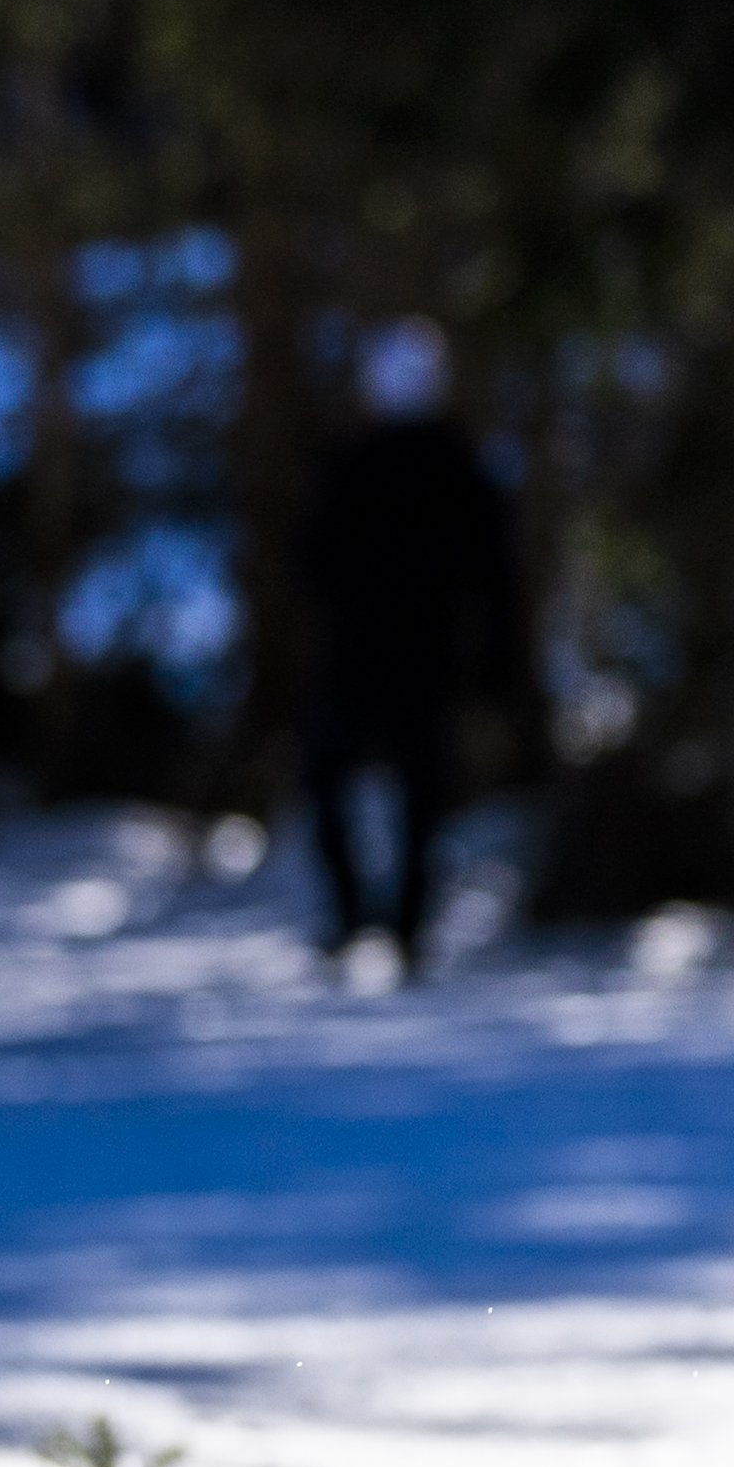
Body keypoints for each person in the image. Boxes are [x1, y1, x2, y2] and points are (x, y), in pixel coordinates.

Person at [297, 316, 520, 976]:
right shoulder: (355, 459)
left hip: (417, 658)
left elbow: (493, 568)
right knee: (334, 787)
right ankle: (358, 918)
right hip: (366, 656)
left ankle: (405, 931)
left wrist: (493, 656)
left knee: (418, 801)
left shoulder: (455, 463)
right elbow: (309, 556)